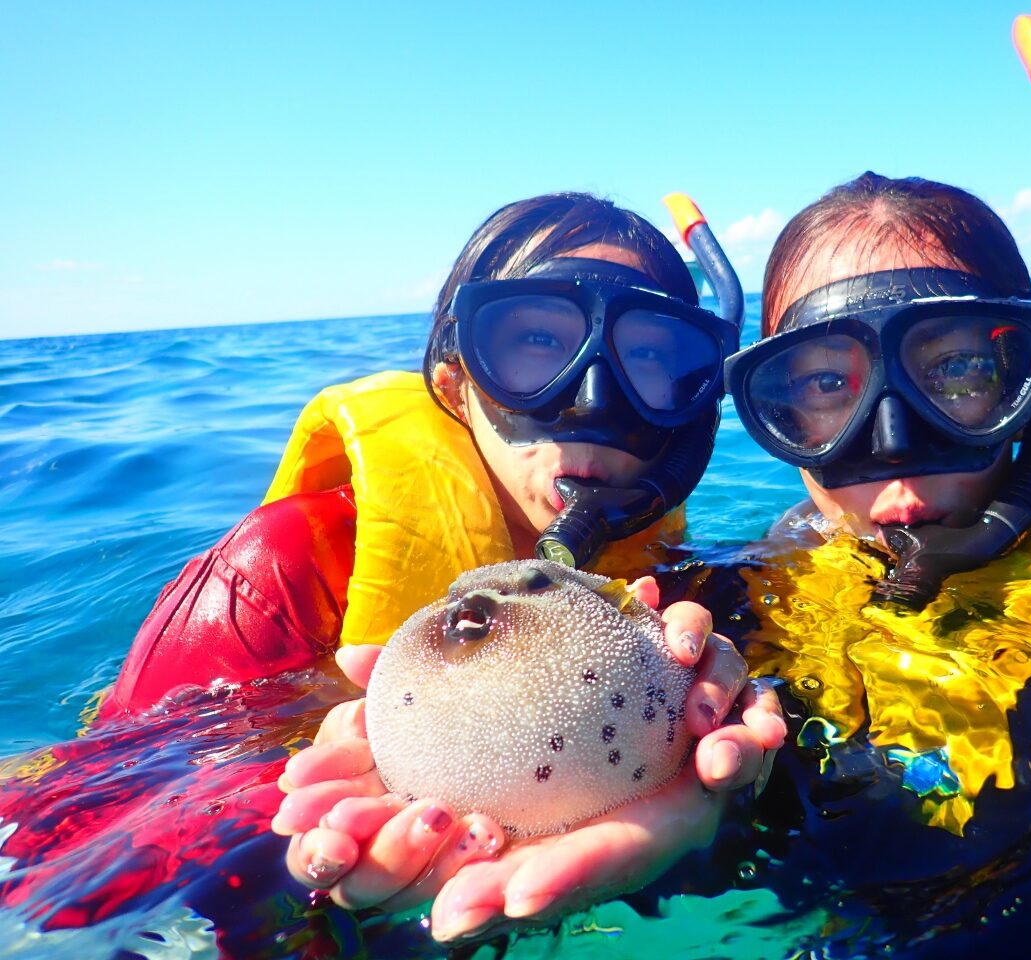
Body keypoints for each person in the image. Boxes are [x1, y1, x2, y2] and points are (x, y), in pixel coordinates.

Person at [73, 192, 786, 940]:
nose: (591, 397)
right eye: (539, 342)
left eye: (647, 356)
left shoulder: (672, 592)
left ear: (687, 413)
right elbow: (97, 817)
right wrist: (289, 845)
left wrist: (725, 788)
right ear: (458, 384)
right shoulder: (288, 560)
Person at [721, 172, 1031, 833]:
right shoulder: (757, 593)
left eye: (955, 370)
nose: (895, 445)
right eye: (826, 382)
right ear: (778, 408)